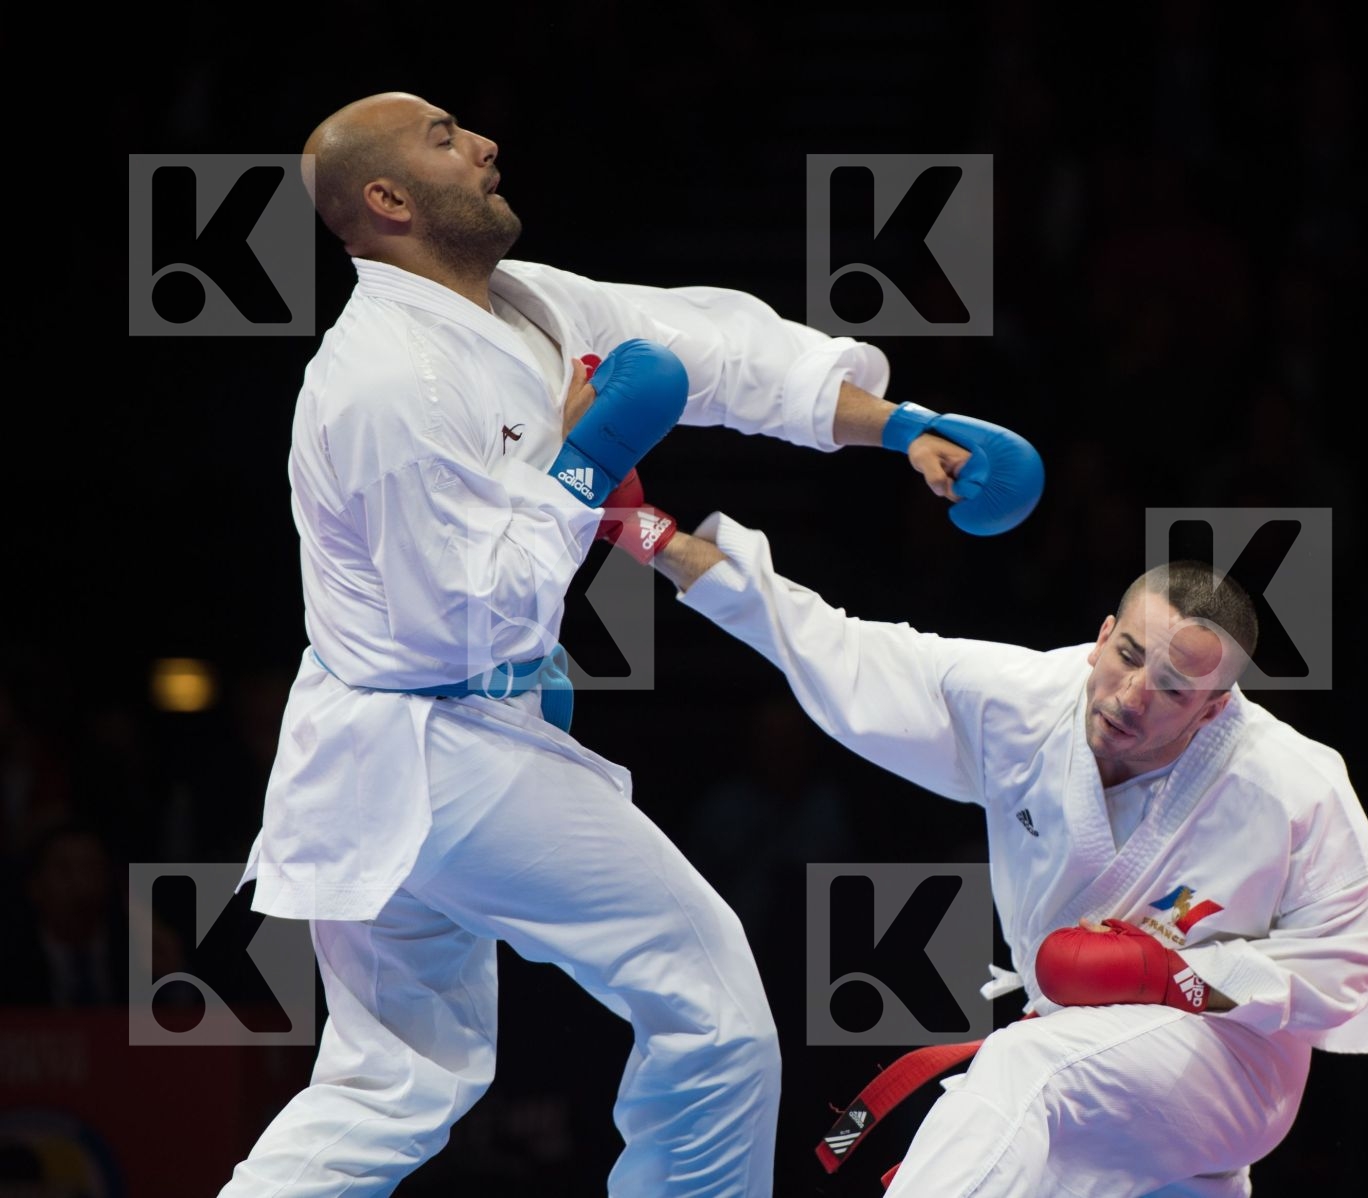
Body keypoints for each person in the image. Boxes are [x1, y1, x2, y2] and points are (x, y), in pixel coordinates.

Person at [218, 91, 1033, 1197]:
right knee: (711, 1009)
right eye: (446, 138)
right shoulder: (381, 385)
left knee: (390, 1083)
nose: (487, 142)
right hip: (432, 743)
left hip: (415, 750)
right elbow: (459, 619)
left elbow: (711, 350)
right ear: (388, 197)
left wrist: (899, 427)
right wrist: (583, 459)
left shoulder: (526, 304)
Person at [641, 498, 1368, 1198]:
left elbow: (1352, 962)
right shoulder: (1020, 705)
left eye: (1175, 690)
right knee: (1022, 1106)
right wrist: (656, 539)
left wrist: (1182, 976)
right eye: (1127, 657)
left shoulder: (1294, 786)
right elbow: (835, 646)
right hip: (1094, 1069)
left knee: (1023, 1075)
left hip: (1232, 1068)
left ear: (1215, 708)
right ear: (1103, 638)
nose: (1131, 696)